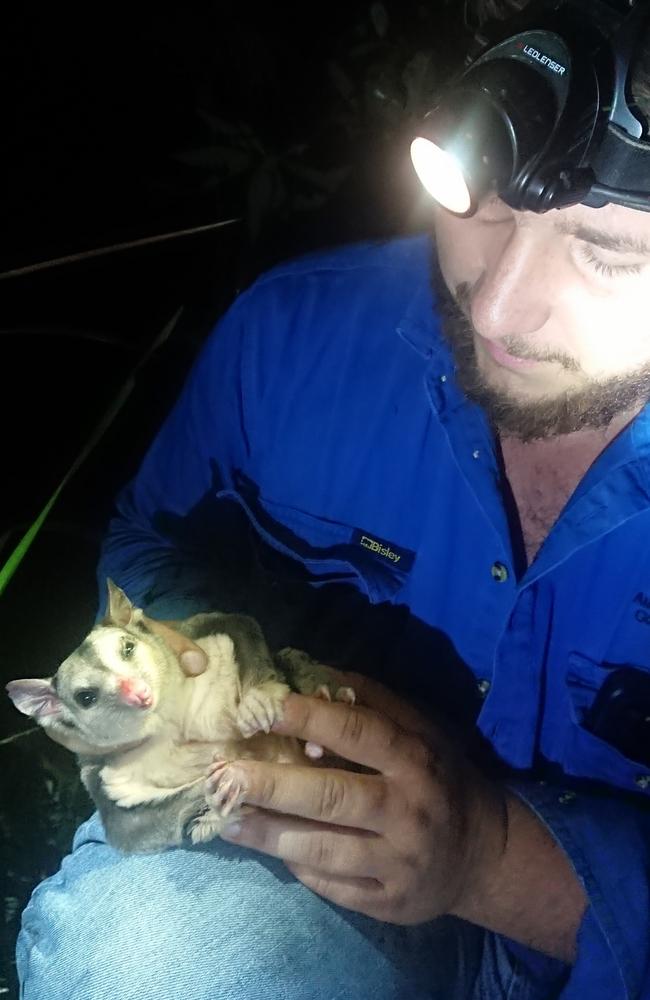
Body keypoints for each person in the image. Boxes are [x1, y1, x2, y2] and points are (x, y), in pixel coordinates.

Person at [16, 2, 650, 997]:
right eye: (472, 197)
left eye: (608, 253)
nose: (494, 306)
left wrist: (490, 857)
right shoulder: (296, 331)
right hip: (298, 862)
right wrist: (197, 679)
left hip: (595, 942)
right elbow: (149, 541)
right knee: (152, 957)